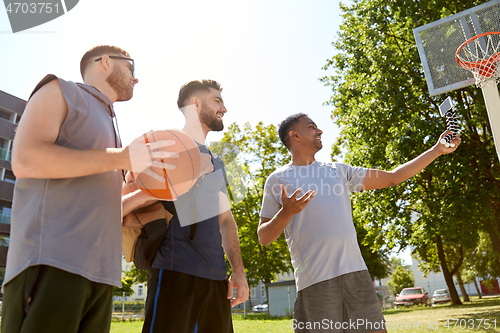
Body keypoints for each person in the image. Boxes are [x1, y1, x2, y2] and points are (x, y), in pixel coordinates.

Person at [1, 45, 176, 333]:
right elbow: (25, 160)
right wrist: (120, 158)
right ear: (105, 61)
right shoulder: (61, 89)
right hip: (52, 263)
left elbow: (110, 209)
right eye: (132, 67)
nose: (136, 78)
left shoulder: (112, 123)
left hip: (103, 277)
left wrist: (152, 193)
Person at [258, 113, 461, 333]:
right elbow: (264, 237)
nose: (319, 130)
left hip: (356, 274)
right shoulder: (277, 180)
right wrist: (285, 214)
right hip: (316, 281)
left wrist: (437, 150)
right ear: (294, 135)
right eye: (311, 126)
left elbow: (393, 177)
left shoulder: (338, 170)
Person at [123, 80, 249, 333]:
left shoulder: (217, 162)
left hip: (216, 277)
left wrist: (239, 271)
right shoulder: (163, 144)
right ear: (195, 103)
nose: (224, 108)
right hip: (174, 270)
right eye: (217, 101)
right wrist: (189, 172)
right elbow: (128, 200)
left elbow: (225, 220)